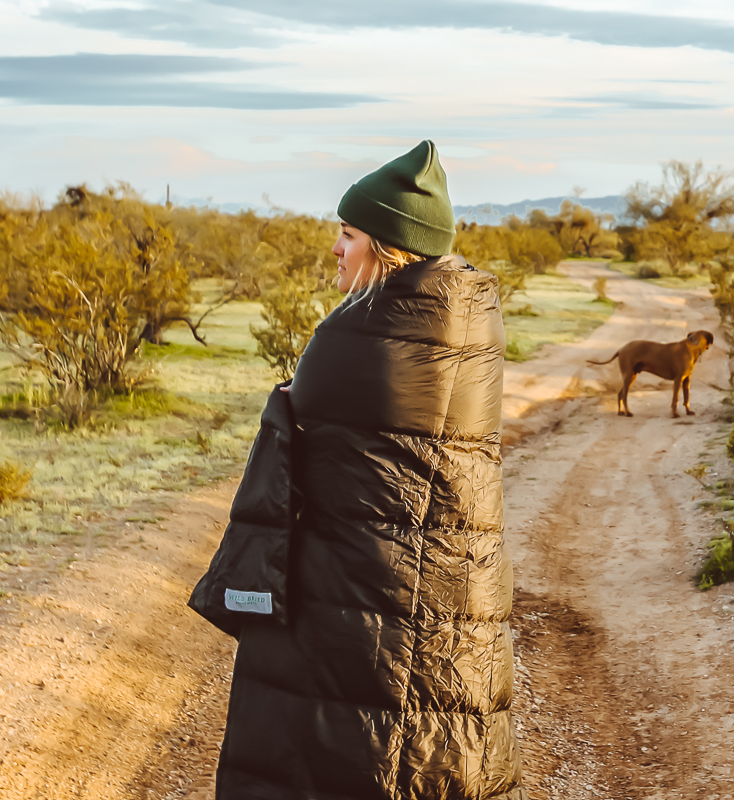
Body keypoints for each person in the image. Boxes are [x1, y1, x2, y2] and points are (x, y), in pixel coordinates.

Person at [215, 141, 525, 799]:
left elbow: (301, 458)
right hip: (459, 598)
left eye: (348, 234)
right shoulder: (471, 323)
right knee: (428, 759)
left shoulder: (353, 338)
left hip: (362, 610)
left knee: (349, 753)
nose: (336, 247)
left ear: (386, 247)